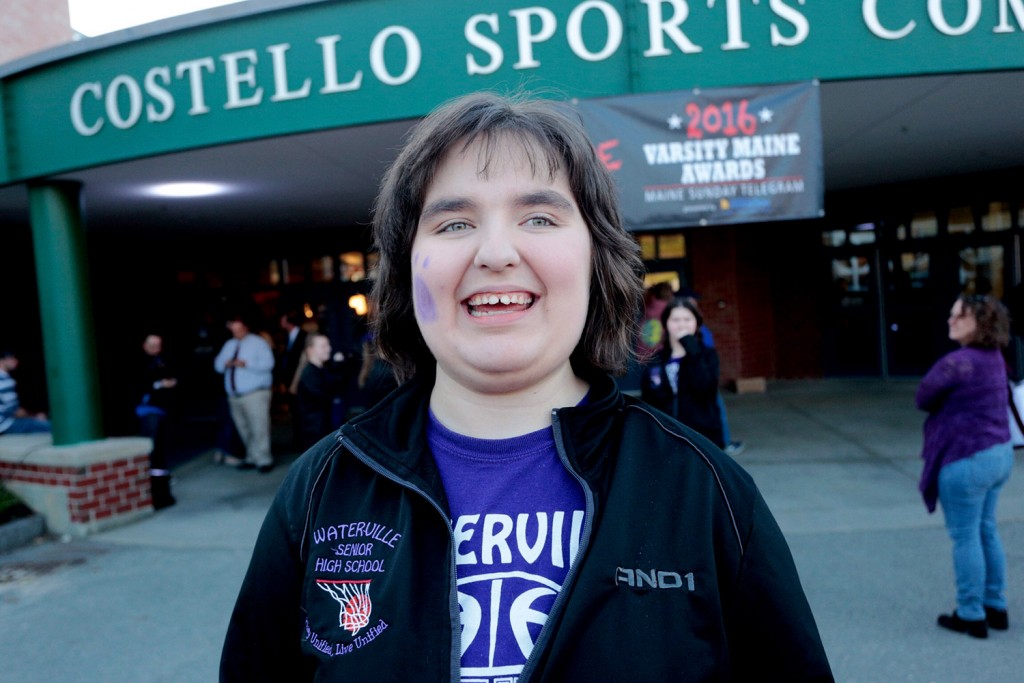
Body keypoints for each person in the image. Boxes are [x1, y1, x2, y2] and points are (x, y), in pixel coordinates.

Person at [220, 91, 832, 681]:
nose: (495, 251)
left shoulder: (707, 492)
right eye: (454, 223)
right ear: (408, 271)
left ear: (597, 258)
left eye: (538, 216)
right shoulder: (322, 488)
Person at [916, 293, 1015, 639]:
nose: (950, 321)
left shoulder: (957, 363)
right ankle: (995, 606)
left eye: (959, 316)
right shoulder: (995, 359)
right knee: (986, 528)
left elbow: (923, 398)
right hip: (999, 455)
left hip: (967, 460)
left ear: (980, 323)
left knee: (965, 536)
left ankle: (971, 614)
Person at [640, 296, 726, 448]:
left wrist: (691, 347)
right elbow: (648, 401)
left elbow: (706, 388)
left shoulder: (707, 355)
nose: (681, 325)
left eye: (687, 319)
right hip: (666, 438)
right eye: (675, 320)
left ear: (696, 323)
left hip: (703, 438)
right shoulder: (656, 360)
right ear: (666, 323)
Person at [213, 311, 276, 473]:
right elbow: (218, 366)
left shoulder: (258, 343)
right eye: (233, 329)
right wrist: (226, 363)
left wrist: (246, 364)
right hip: (235, 396)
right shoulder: (229, 345)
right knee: (243, 427)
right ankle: (252, 456)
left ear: (245, 327)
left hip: (255, 393)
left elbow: (269, 364)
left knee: (259, 427)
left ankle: (264, 459)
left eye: (237, 328)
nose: (235, 332)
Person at [135, 334, 178, 509]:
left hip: (161, 411)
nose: (156, 348)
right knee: (154, 454)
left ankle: (162, 493)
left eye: (158, 345)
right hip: (148, 413)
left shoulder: (162, 360)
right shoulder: (140, 362)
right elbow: (139, 385)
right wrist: (160, 384)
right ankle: (158, 497)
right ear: (144, 345)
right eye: (152, 345)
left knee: (159, 453)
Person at [294, 333, 349, 450]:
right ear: (310, 350)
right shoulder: (309, 374)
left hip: (323, 427)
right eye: (323, 346)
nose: (329, 349)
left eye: (328, 345)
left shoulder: (322, 370)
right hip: (315, 431)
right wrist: (339, 367)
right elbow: (327, 394)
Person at [0, 349, 51, 435]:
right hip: (5, 425)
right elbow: (15, 411)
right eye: (12, 358)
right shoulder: (4, 381)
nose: (16, 361)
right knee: (54, 427)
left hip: (5, 423)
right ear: (2, 360)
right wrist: (35, 417)